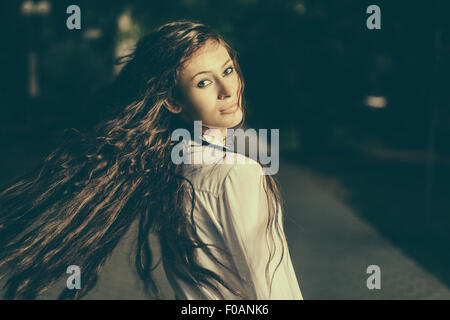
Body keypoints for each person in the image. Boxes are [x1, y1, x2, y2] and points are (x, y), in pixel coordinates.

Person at [0, 19, 302, 300]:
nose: (227, 90)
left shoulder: (167, 168)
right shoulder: (238, 174)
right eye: (203, 83)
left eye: (227, 70)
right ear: (172, 101)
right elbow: (270, 287)